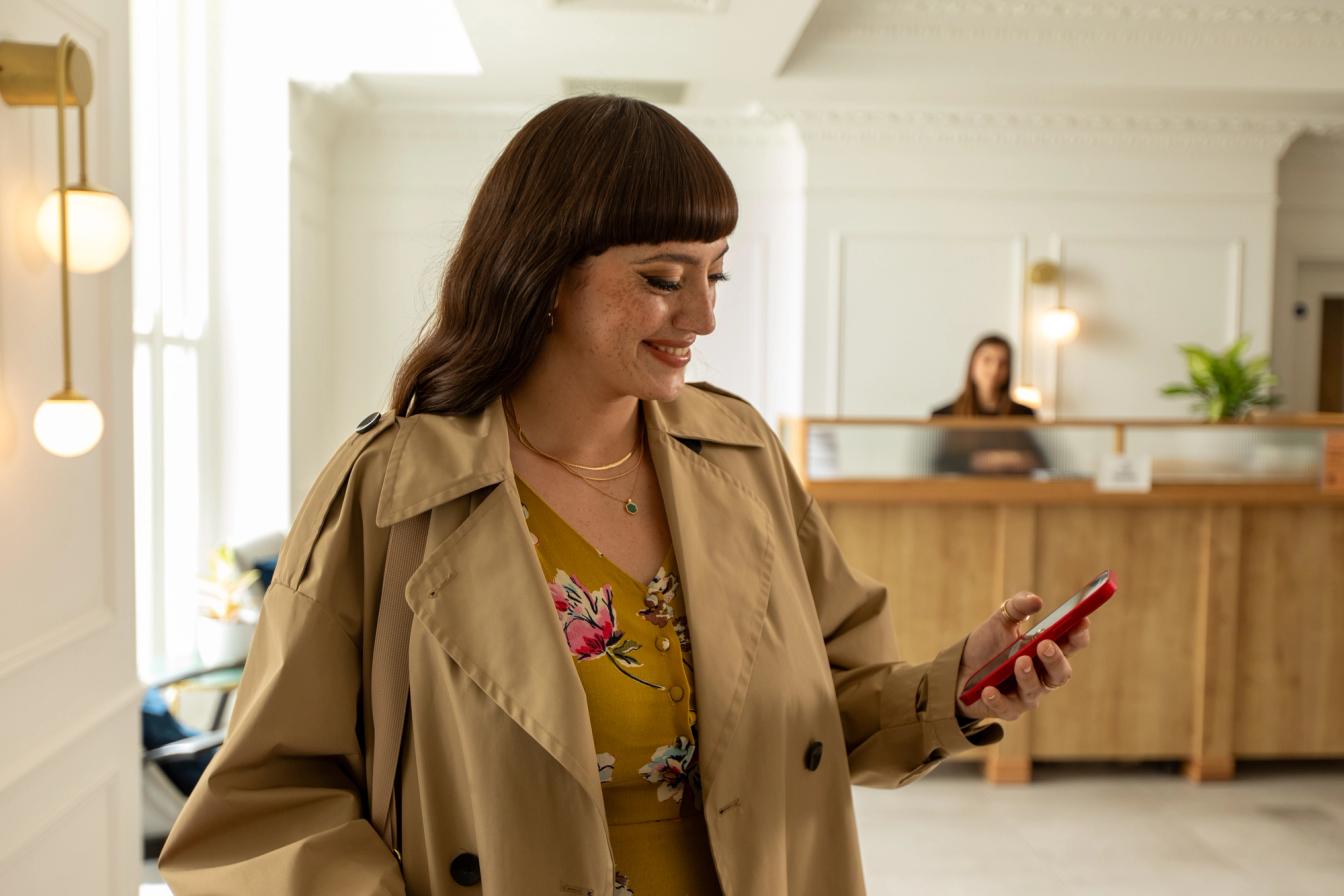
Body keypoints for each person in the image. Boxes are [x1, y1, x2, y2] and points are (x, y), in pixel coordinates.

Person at [158, 96, 1091, 896]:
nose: (704, 316)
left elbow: (832, 709)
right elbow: (266, 806)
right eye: (662, 279)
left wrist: (958, 681)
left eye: (715, 273)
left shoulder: (741, 456)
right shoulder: (393, 490)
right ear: (545, 275)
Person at [931, 334, 1047, 475]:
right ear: (973, 366)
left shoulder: (1023, 413)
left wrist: (1014, 460)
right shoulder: (945, 415)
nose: (995, 369)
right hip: (963, 493)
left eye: (1003, 363)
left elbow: (1040, 460)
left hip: (1009, 492)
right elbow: (938, 464)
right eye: (987, 360)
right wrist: (978, 461)